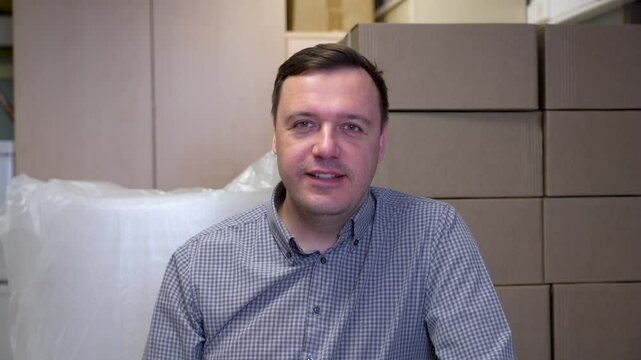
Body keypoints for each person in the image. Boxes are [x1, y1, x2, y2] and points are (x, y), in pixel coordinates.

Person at [144, 43, 515, 359]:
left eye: (351, 126)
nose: (326, 148)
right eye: (304, 124)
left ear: (381, 142)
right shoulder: (196, 268)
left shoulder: (433, 237)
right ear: (275, 137)